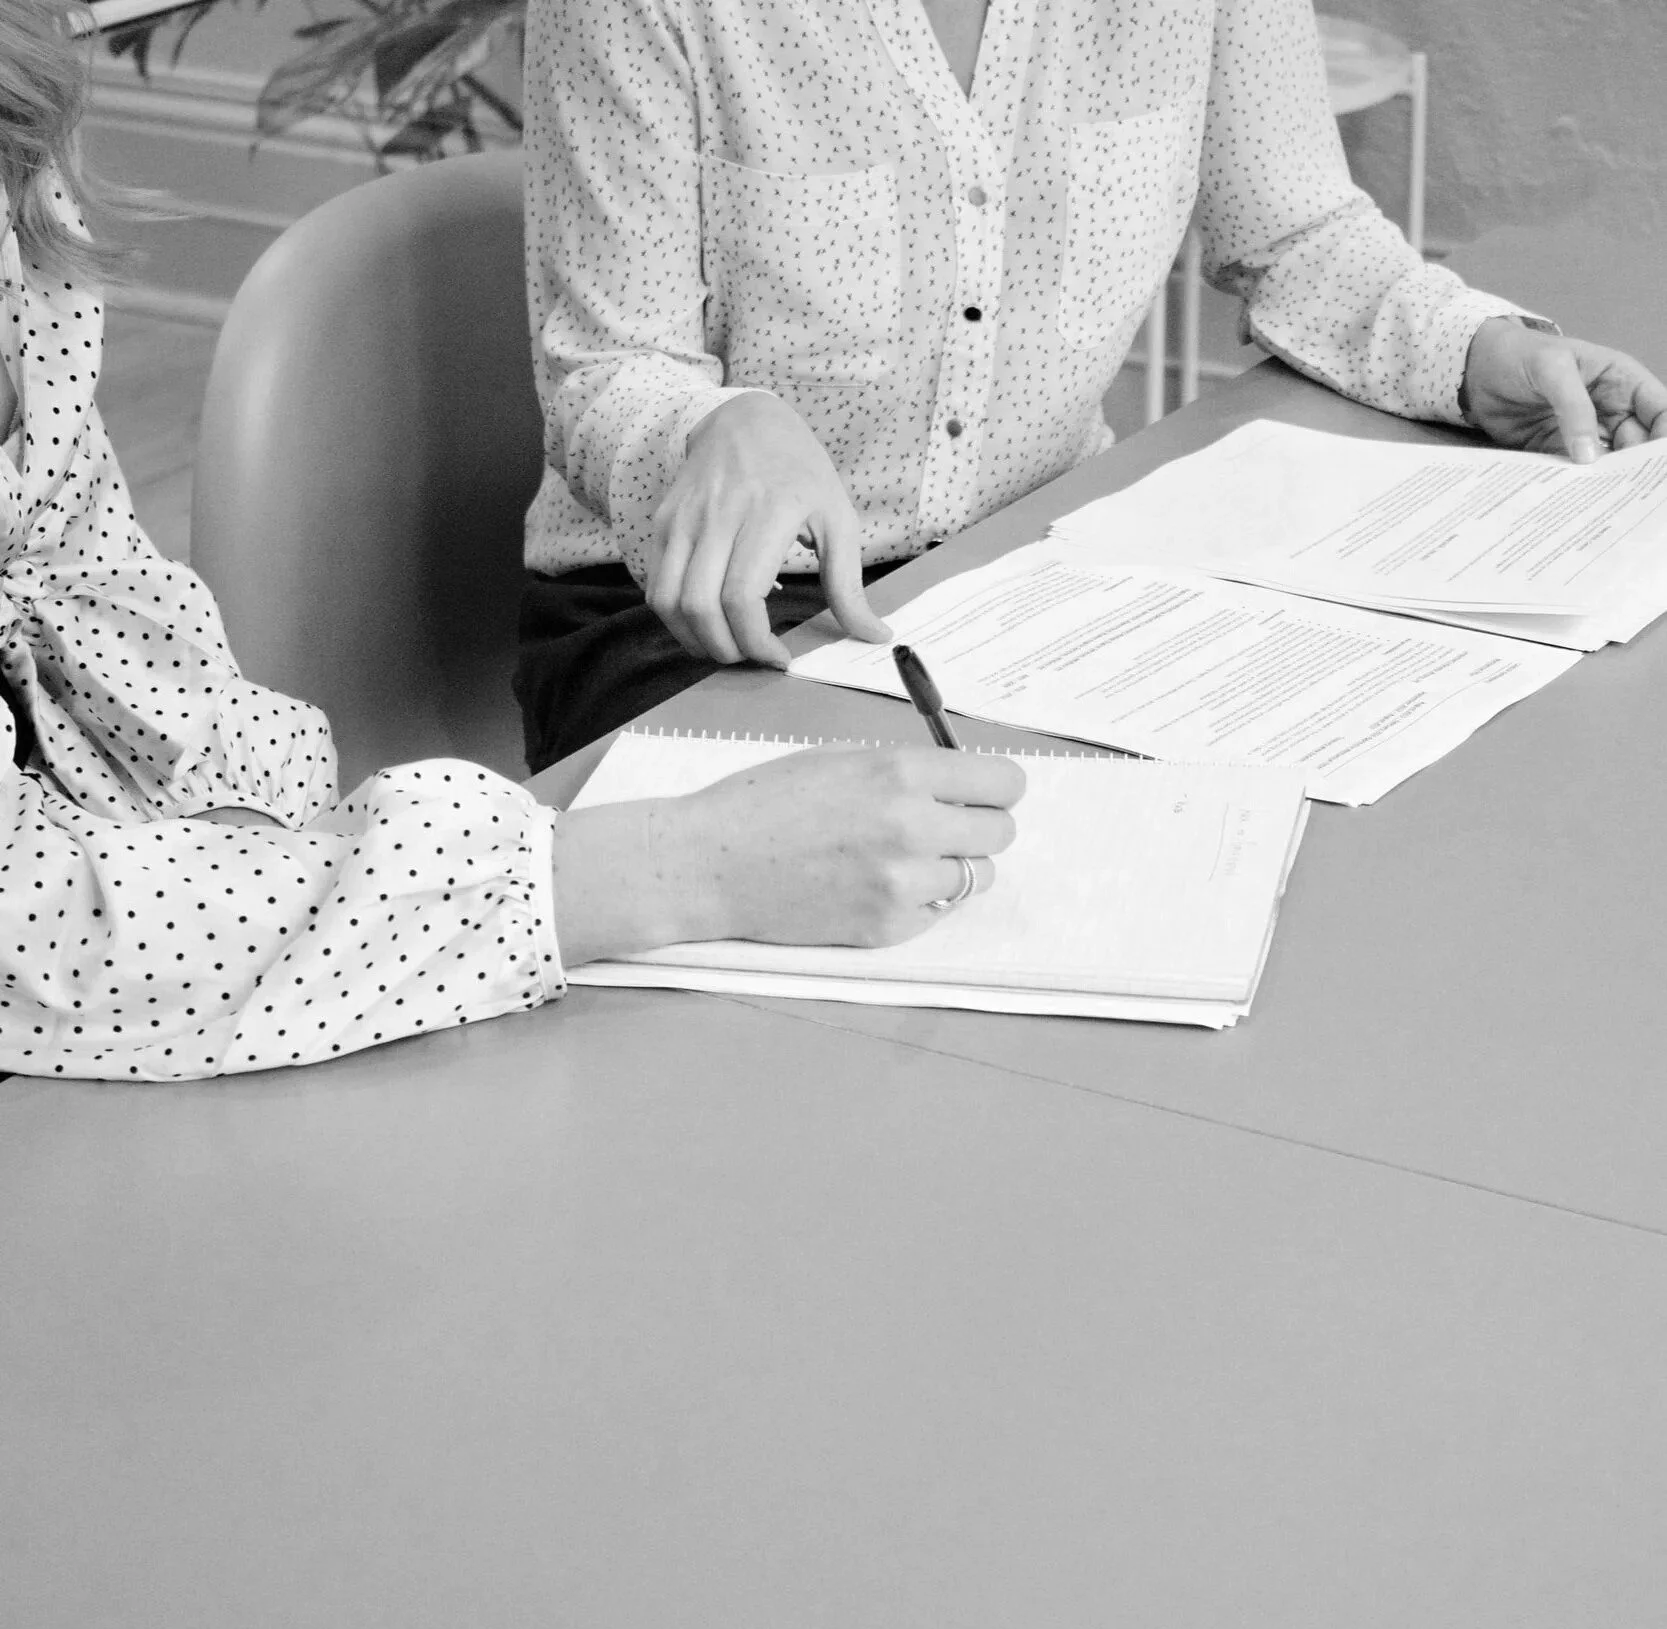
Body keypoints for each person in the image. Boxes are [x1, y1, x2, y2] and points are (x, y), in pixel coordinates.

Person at [0, 0, 1023, 1082]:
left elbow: (101, 598)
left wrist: (267, 851)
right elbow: (40, 932)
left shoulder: (27, 164)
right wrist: (680, 867)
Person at [517, 0, 1667, 768]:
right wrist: (715, 425)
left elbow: (1296, 232)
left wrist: (1471, 351)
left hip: (1032, 577)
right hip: (699, 618)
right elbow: (607, 364)